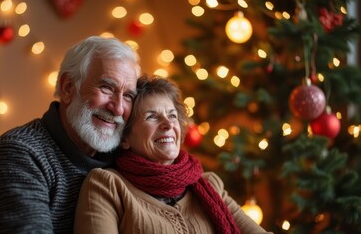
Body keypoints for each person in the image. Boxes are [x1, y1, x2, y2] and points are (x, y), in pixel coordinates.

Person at [0, 36, 141, 233]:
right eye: (107, 88)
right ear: (67, 88)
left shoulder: (124, 158)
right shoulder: (19, 153)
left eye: (128, 96)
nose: (117, 108)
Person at [74, 75, 271, 234]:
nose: (168, 124)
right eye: (152, 116)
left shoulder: (210, 185)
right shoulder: (107, 185)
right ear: (125, 138)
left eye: (172, 116)